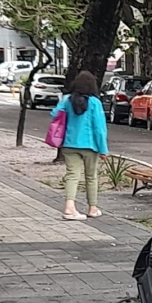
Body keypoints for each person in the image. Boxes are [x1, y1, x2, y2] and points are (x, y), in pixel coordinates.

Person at [50, 70, 109, 221]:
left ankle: (69, 208)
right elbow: (99, 129)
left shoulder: (66, 100)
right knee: (91, 177)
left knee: (72, 175)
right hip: (90, 146)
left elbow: (54, 114)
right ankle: (92, 208)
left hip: (69, 144)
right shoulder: (95, 103)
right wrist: (103, 149)